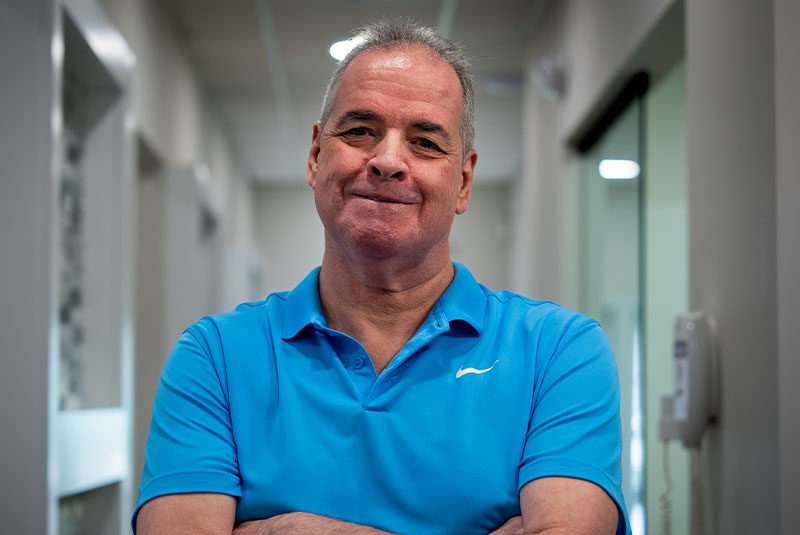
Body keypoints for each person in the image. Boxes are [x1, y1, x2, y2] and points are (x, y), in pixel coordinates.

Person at [134, 19, 630, 535]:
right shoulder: (213, 357)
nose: (389, 161)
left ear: (463, 182)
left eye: (426, 142)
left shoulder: (559, 352)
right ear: (315, 155)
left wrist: (289, 531)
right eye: (360, 131)